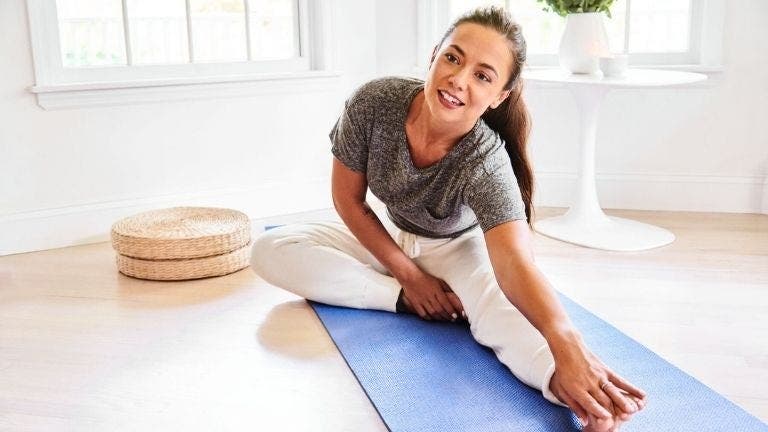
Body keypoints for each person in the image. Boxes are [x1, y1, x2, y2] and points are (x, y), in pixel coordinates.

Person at [251, 6, 647, 431]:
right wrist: (409, 281)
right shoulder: (374, 103)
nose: (459, 79)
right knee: (269, 250)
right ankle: (402, 302)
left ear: (499, 97)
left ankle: (585, 396)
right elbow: (348, 199)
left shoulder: (486, 161)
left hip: (456, 250)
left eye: (483, 75)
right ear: (433, 56)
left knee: (500, 314)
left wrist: (568, 345)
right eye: (453, 58)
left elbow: (515, 262)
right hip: (385, 235)